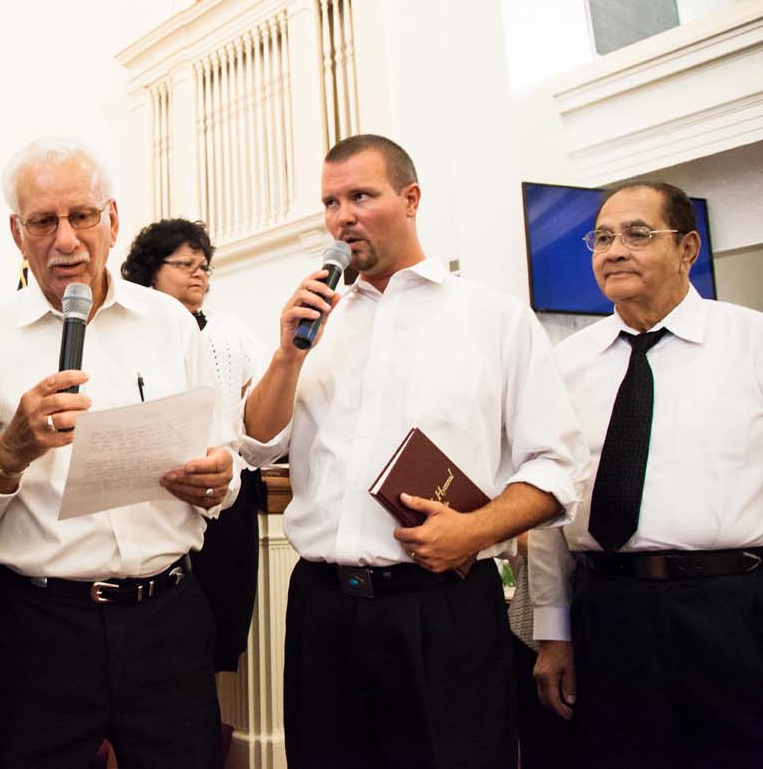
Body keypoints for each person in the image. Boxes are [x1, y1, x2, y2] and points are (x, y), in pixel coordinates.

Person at [239, 133, 590, 769]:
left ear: (410, 198)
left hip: (443, 608)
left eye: (361, 196)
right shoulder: (320, 322)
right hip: (322, 606)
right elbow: (259, 445)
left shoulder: (493, 318)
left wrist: (475, 529)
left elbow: (557, 465)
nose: (342, 216)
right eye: (330, 202)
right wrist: (287, 354)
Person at [0, 137, 237, 768]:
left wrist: (219, 478)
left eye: (82, 216)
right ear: (17, 232)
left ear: (113, 221)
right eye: (43, 221)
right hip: (41, 629)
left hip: (167, 620)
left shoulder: (171, 323)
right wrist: (7, 455)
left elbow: (223, 454)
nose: (65, 239)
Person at [529, 181, 763, 769]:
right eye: (602, 238)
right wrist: (553, 630)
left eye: (638, 234)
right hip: (608, 610)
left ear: (688, 248)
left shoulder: (751, 343)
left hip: (733, 607)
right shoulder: (566, 365)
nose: (614, 251)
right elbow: (547, 508)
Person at [120, 217, 264, 673]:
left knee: (215, 628)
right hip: (153, 496)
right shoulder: (127, 332)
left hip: (224, 493)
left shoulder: (230, 333)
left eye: (204, 266)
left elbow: (252, 397)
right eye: (185, 264)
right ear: (150, 271)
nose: (199, 273)